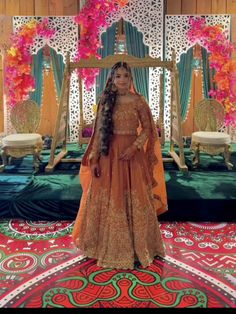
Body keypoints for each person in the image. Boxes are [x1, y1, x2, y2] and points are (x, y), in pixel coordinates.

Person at [72, 62, 168, 269]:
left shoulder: (139, 101)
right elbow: (99, 133)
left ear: (131, 79)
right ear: (112, 80)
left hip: (132, 157)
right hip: (109, 156)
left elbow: (148, 130)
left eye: (125, 75)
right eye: (118, 76)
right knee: (110, 198)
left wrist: (134, 147)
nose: (122, 79)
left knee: (135, 198)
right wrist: (95, 159)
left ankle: (140, 247)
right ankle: (103, 246)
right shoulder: (106, 100)